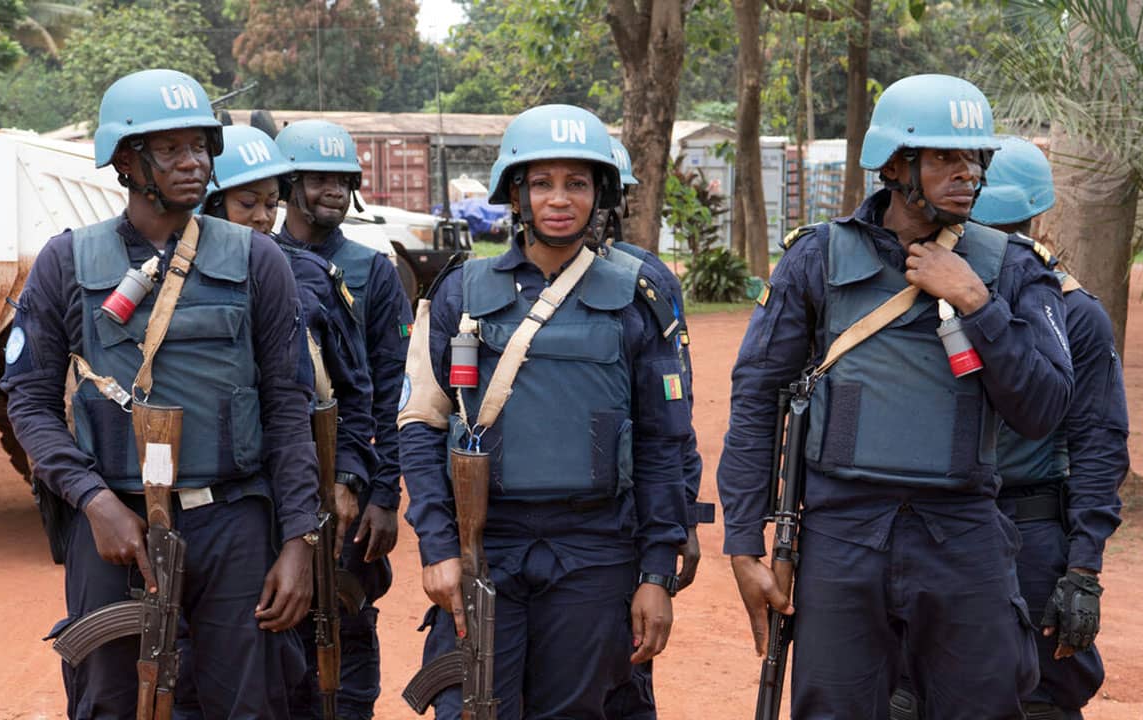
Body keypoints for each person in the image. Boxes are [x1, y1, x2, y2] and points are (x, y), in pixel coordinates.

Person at [718, 74, 1075, 719]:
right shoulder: (817, 260)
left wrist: (976, 302)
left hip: (963, 533)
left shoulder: (1014, 269)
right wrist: (745, 543)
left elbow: (1044, 408)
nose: (967, 174)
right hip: (839, 534)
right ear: (893, 164)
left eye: (976, 158)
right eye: (944, 158)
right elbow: (756, 403)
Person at [1, 69, 319, 719]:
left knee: (246, 705)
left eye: (201, 146)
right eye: (171, 148)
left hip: (233, 519)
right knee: (110, 701)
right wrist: (92, 501)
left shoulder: (261, 262)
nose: (193, 162)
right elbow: (29, 402)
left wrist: (298, 541)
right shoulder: (65, 261)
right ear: (125, 159)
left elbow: (289, 410)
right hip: (115, 525)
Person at [398, 104, 689, 720]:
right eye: (542, 183)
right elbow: (421, 427)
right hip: (486, 547)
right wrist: (436, 544)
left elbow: (666, 443)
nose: (561, 199)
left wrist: (657, 569)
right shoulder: (459, 292)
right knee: (471, 709)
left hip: (595, 551)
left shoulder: (639, 296)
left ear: (599, 193)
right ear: (516, 194)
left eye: (577, 183)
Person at [892, 136, 1128, 720]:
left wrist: (1081, 570)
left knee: (1026, 694)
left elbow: (1097, 443)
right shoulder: (914, 301)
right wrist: (1083, 567)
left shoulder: (1069, 312)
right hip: (954, 528)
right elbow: (1101, 445)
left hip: (1017, 540)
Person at [201, 123, 381, 719]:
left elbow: (359, 395)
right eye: (246, 202)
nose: (259, 217)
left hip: (300, 494)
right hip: (220, 506)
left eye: (269, 203)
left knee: (324, 653)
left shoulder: (311, 278)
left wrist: (354, 479)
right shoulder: (162, 279)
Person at [274, 119, 411, 720]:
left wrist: (383, 492)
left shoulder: (373, 270)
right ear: (289, 184)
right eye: (319, 177)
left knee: (348, 625)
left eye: (343, 178)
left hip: (350, 484)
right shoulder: (254, 259)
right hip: (274, 482)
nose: (334, 189)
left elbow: (393, 390)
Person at [598, 137, 713, 720]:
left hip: (626, 520)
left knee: (624, 676)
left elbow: (673, 418)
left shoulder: (645, 281)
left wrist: (679, 521)